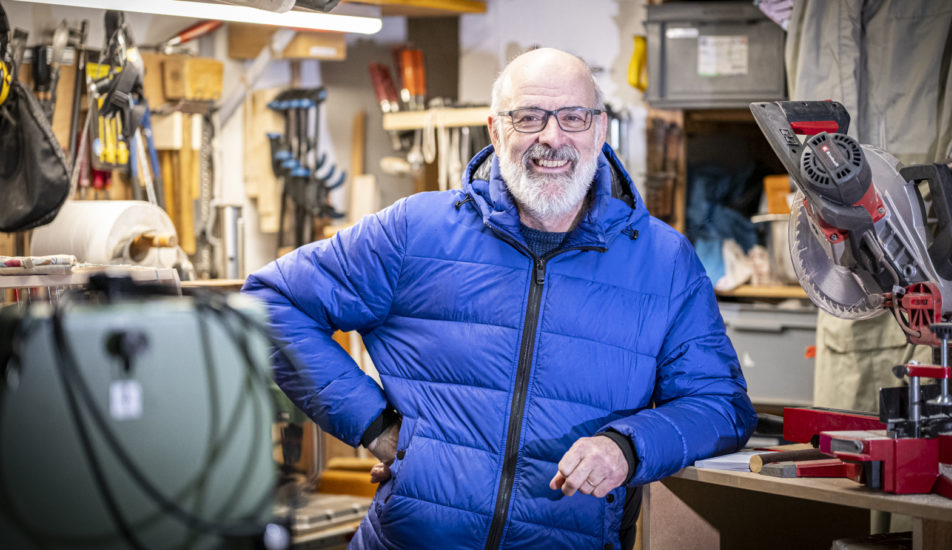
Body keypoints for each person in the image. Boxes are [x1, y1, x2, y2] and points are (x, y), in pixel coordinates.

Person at [243, 47, 756, 550]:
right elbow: (269, 302)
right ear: (495, 130)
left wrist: (627, 446)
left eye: (573, 117)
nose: (552, 137)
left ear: (599, 130)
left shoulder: (664, 262)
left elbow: (721, 406)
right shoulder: (415, 232)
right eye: (529, 117)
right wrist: (373, 424)